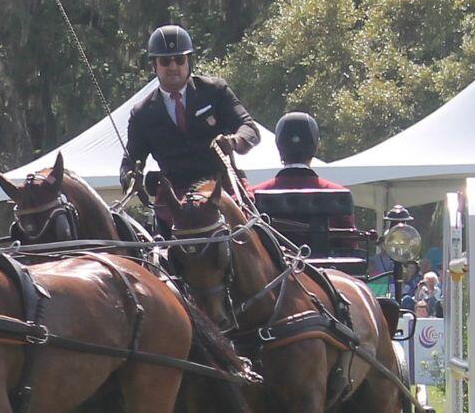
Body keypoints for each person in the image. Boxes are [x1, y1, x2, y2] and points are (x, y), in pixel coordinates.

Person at [121, 24, 260, 236]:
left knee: (260, 241)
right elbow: (128, 162)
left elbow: (250, 128)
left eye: (180, 59)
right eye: (165, 61)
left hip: (220, 189)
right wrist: (131, 177)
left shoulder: (215, 91)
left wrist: (233, 141)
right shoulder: (141, 113)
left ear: (189, 61)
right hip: (174, 203)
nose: (173, 66)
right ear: (154, 66)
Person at [250, 112, 358, 253]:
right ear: (316, 146)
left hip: (271, 274)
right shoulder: (339, 193)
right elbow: (350, 246)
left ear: (278, 146)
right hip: (326, 271)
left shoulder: (253, 195)